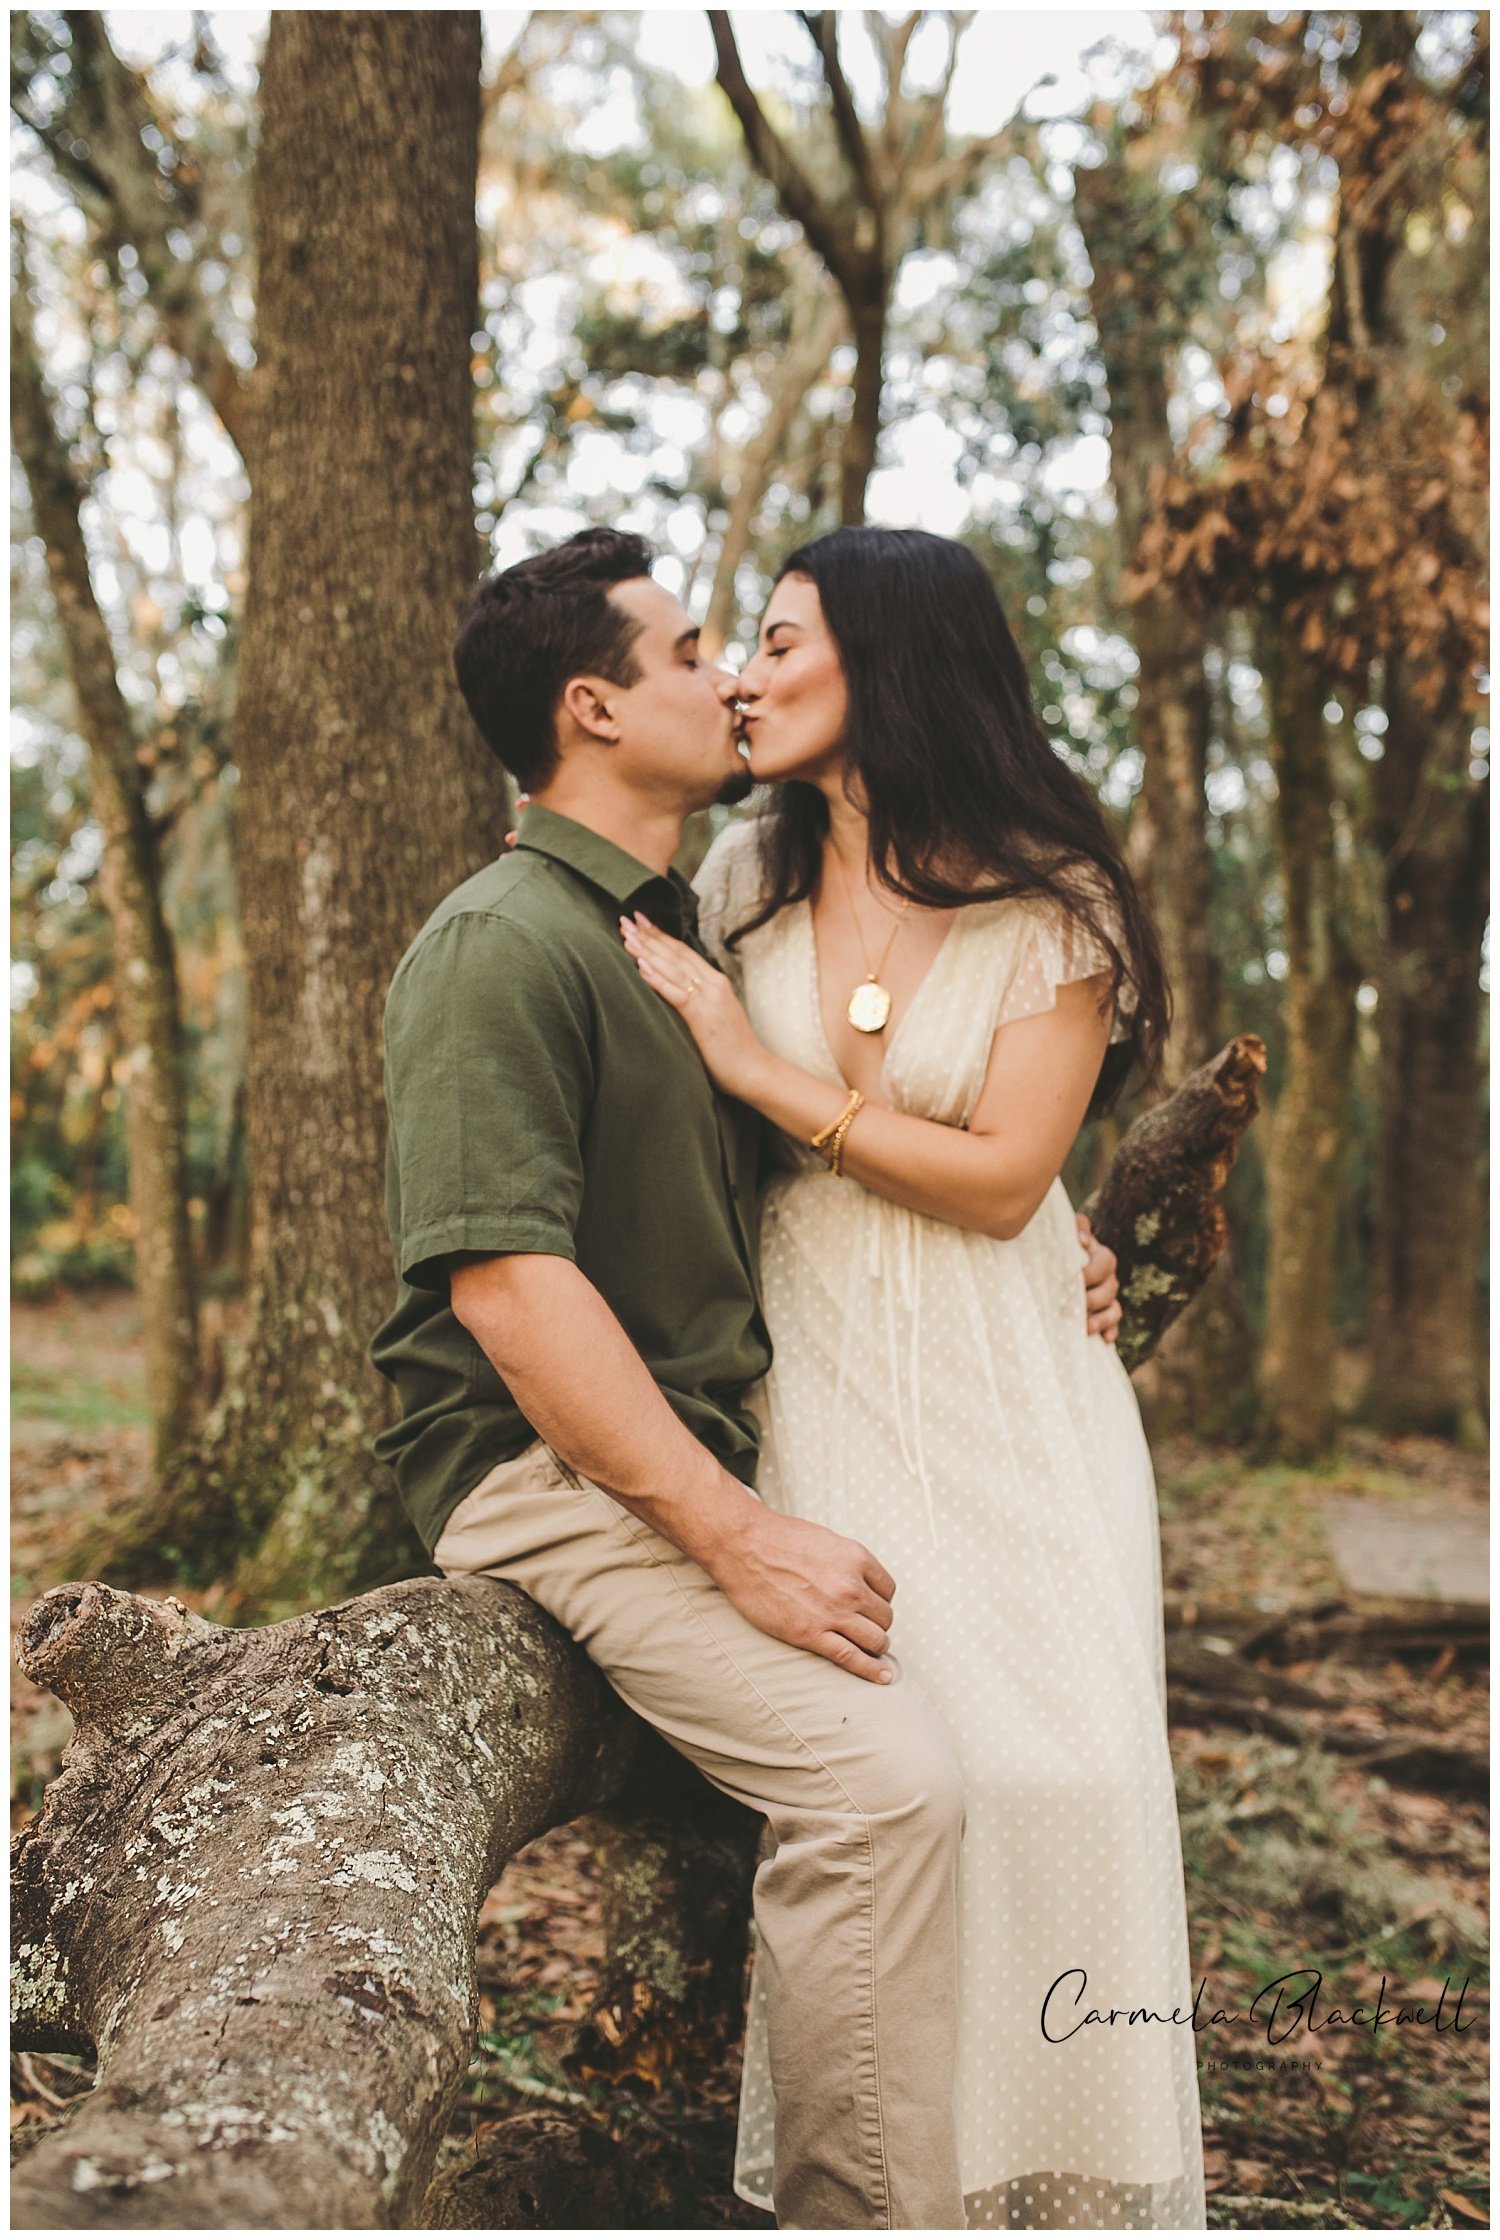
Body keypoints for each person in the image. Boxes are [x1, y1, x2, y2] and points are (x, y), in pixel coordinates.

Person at [368, 526, 1122, 2230]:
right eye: (694, 644)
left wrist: (1053, 1238)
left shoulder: (686, 925)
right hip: (547, 1473)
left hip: (704, 1449)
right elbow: (510, 1296)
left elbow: (876, 1155)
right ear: (595, 709)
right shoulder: (502, 942)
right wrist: (735, 1537)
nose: (731, 672)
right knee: (884, 1784)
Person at [620, 526, 1208, 2231]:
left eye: (784, 644)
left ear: (886, 662)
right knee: (901, 1785)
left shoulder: (1057, 897)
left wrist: (756, 1065)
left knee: (1067, 1772)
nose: (747, 674)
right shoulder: (738, 879)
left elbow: (1012, 1181)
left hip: (1013, 1384)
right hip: (823, 1381)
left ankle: (1065, 2174)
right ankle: (892, 2186)